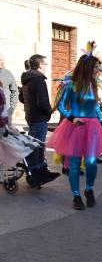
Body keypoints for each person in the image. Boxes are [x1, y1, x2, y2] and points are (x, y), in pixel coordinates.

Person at [48, 42, 102, 210]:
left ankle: (89, 189)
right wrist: (72, 117)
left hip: (93, 127)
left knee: (91, 162)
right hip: (76, 126)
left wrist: (101, 121)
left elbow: (95, 105)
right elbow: (60, 106)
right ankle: (76, 196)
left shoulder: (94, 84)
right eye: (96, 67)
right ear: (88, 67)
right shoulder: (70, 84)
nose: (98, 70)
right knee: (74, 164)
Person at [20, 54, 60, 186]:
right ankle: (35, 174)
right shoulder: (38, 80)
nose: (47, 66)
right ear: (40, 65)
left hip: (31, 116)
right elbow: (42, 102)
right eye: (46, 64)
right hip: (38, 118)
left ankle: (41, 170)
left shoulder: (28, 78)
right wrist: (49, 112)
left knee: (36, 145)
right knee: (37, 146)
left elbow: (22, 98)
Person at [0, 52, 18, 124]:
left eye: (2, 60)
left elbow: (14, 91)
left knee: (5, 131)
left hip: (6, 109)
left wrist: (12, 108)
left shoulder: (7, 73)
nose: (1, 62)